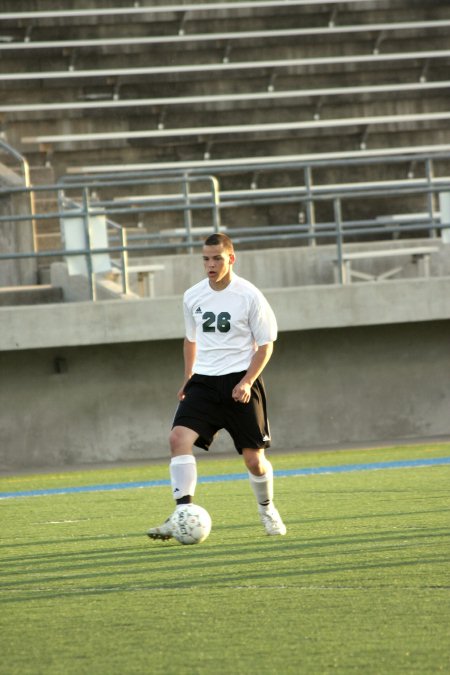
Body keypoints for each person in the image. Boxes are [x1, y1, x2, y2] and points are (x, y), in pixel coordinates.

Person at [147, 233, 286, 539]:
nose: (210, 265)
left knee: (254, 459)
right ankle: (182, 513)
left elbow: (266, 346)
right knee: (177, 439)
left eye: (217, 258)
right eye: (206, 259)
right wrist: (188, 377)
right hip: (204, 382)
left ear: (231, 259)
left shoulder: (249, 295)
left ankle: (267, 509)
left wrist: (247, 381)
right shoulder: (192, 295)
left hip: (240, 381)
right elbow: (191, 339)